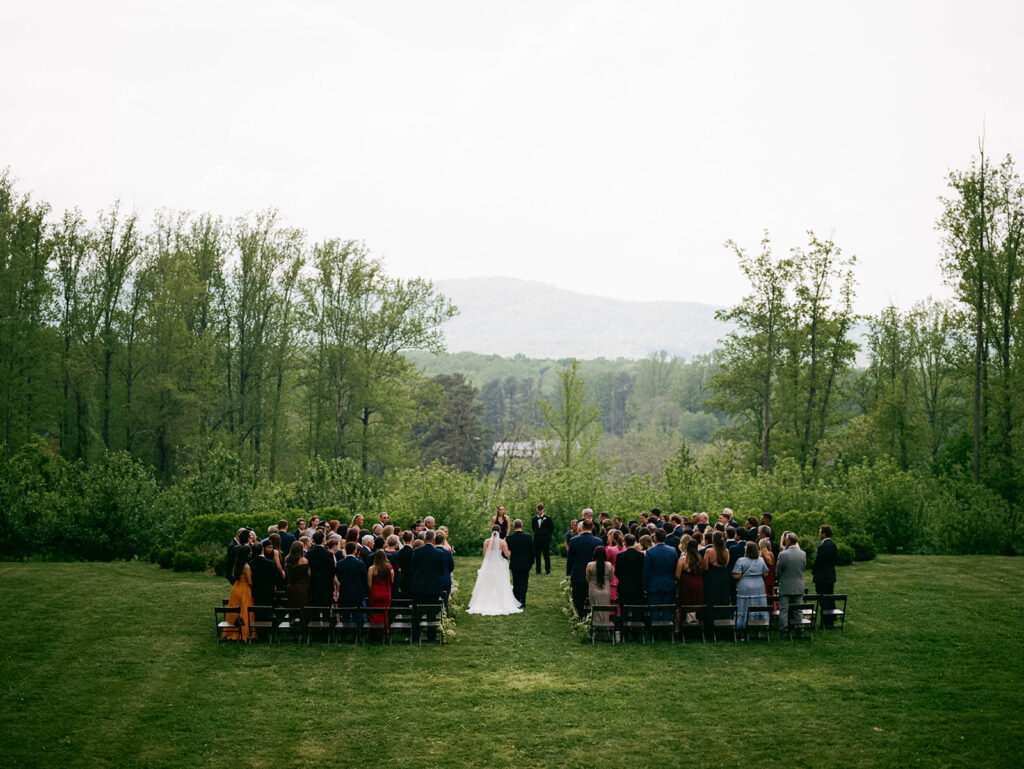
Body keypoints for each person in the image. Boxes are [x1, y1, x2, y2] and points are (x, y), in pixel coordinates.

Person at [467, 527, 522, 615]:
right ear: (500, 532)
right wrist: (512, 550)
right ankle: (501, 601)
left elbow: (485, 555)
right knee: (500, 582)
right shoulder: (502, 542)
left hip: (489, 565)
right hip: (499, 564)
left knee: (487, 583)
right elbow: (507, 554)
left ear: (491, 532)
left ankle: (484, 601)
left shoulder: (486, 542)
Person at [566, 519, 603, 618]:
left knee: (578, 598)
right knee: (594, 598)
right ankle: (592, 617)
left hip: (578, 573)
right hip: (593, 574)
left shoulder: (574, 540)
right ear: (592, 528)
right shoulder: (598, 541)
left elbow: (570, 559)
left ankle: (579, 617)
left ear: (581, 528)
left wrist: (568, 574)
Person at [642, 528, 678, 622]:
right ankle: (666, 629)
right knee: (667, 609)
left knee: (655, 609)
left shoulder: (650, 552)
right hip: (669, 584)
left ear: (655, 538)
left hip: (654, 585)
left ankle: (656, 630)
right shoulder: (672, 550)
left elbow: (646, 570)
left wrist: (644, 586)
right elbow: (675, 567)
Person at [775, 532, 807, 639]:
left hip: (785, 585)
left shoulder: (783, 554)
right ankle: (800, 630)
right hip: (798, 584)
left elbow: (778, 571)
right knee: (797, 609)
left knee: (784, 610)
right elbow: (803, 568)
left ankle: (783, 632)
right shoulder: (803, 554)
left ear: (787, 541)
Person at [733, 540, 769, 630]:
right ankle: (758, 626)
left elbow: (736, 575)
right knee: (758, 604)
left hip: (745, 585)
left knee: (744, 605)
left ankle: (744, 625)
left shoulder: (741, 560)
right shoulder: (761, 560)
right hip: (759, 585)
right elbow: (766, 574)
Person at [223, 545, 256, 641]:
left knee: (235, 610)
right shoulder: (246, 566)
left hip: (236, 588)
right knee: (245, 610)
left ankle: (233, 630)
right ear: (247, 553)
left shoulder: (236, 564)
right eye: (250, 552)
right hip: (244, 588)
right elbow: (249, 582)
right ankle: (245, 633)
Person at [702, 531, 731, 632]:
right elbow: (726, 565)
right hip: (723, 577)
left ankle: (710, 626)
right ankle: (723, 626)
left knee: (711, 601)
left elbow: (705, 567)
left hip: (712, 578)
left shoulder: (709, 551)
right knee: (723, 600)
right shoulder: (726, 551)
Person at [675, 536, 704, 634]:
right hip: (698, 583)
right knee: (696, 602)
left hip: (686, 584)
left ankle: (683, 626)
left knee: (685, 603)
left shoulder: (683, 559)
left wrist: (680, 581)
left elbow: (677, 575)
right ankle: (696, 626)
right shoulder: (700, 558)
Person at [813, 524, 838, 627]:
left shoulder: (822, 547)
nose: (819, 533)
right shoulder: (833, 545)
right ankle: (830, 621)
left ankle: (824, 622)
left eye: (820, 532)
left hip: (821, 577)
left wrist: (814, 571)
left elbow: (817, 562)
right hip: (830, 575)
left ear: (823, 534)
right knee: (829, 597)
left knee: (822, 599)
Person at [505, 519, 534, 607]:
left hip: (515, 563)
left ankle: (516, 600)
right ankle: (523, 601)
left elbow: (508, 552)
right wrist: (531, 563)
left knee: (516, 582)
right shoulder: (528, 537)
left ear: (514, 527)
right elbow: (533, 552)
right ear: (522, 526)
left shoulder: (510, 538)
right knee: (524, 583)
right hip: (526, 564)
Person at [306, 530, 336, 608]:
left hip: (314, 585)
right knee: (326, 610)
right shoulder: (329, 554)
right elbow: (332, 571)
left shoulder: (309, 554)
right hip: (327, 586)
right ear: (323, 540)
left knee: (314, 610)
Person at [587, 546, 614, 630]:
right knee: (605, 610)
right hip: (606, 590)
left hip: (593, 590)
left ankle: (595, 630)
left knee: (594, 609)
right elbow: (610, 579)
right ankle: (605, 629)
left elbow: (588, 579)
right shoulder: (609, 565)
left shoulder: (590, 565)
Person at [614, 534, 644, 607]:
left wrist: (623, 578)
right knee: (636, 610)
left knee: (623, 610)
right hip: (637, 586)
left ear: (625, 542)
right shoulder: (640, 555)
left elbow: (616, 572)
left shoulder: (620, 556)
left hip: (624, 586)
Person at [284, 541, 309, 629]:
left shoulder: (287, 559)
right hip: (302, 587)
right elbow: (309, 574)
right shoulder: (304, 560)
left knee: (292, 608)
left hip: (291, 586)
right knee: (302, 608)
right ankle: (302, 628)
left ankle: (292, 627)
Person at [367, 550, 394, 630]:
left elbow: (369, 584)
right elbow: (391, 582)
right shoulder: (389, 568)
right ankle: (385, 630)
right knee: (385, 613)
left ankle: (375, 632)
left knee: (374, 613)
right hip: (386, 592)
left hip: (375, 593)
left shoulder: (372, 569)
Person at [436, 529, 456, 611]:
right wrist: (447, 572)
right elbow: (452, 566)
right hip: (445, 578)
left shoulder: (433, 551)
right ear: (444, 541)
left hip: (435, 579)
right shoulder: (448, 553)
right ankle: (446, 616)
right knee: (445, 600)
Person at [531, 503, 554, 575]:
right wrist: (537, 533)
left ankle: (548, 571)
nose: (539, 512)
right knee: (537, 556)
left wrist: (547, 537)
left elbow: (551, 528)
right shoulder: (534, 519)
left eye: (541, 510)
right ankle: (538, 571)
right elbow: (533, 528)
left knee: (546, 555)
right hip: (537, 540)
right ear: (536, 510)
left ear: (543, 510)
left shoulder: (547, 518)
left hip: (545, 540)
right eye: (538, 510)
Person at [604, 529, 625, 603]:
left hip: (613, 572)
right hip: (623, 572)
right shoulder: (625, 548)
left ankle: (612, 613)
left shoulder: (610, 549)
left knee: (612, 597)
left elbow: (606, 560)